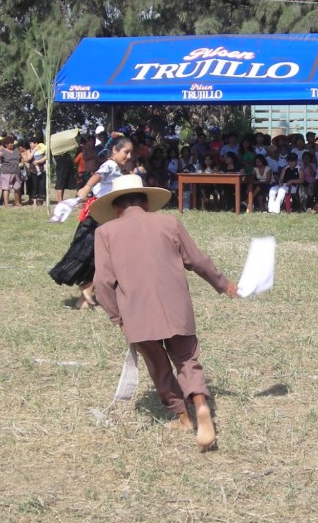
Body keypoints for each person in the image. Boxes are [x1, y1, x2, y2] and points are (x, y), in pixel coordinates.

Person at [91, 174, 238, 452]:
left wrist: (116, 317)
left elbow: (102, 283)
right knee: (187, 360)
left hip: (137, 314)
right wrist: (224, 284)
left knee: (159, 367)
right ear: (146, 202)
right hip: (177, 308)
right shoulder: (169, 222)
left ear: (115, 208)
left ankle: (183, 418)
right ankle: (201, 406)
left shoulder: (105, 233)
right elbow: (197, 260)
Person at [49, 136, 133, 308]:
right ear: (115, 151)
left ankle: (84, 299)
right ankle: (88, 287)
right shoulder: (109, 165)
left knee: (103, 257)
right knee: (98, 255)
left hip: (105, 216)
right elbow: (97, 176)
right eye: (126, 152)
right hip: (98, 218)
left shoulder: (117, 168)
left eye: (131, 153)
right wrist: (86, 187)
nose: (129, 156)